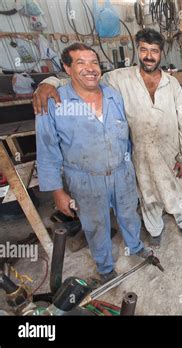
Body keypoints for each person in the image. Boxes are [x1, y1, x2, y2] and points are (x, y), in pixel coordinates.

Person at [33, 28, 182, 247]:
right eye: (144, 50)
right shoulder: (119, 78)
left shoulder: (172, 83)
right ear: (138, 50)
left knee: (179, 192)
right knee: (148, 196)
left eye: (154, 51)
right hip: (141, 154)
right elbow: (85, 80)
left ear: (161, 53)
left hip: (170, 152)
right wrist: (50, 83)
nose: (149, 55)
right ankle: (155, 230)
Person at [36, 43, 152, 284]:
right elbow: (47, 151)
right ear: (67, 68)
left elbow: (127, 135)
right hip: (84, 178)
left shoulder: (113, 95)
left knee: (130, 213)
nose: (90, 69)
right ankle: (105, 266)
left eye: (94, 63)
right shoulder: (54, 102)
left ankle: (135, 245)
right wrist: (57, 192)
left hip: (122, 171)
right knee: (95, 224)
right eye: (81, 63)